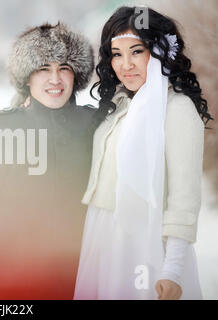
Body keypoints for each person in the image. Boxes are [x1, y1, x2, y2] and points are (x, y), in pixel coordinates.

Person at [0, 22, 97, 299]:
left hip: (85, 278)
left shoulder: (96, 125)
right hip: (19, 281)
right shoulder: (1, 128)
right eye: (43, 69)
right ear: (27, 77)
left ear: (76, 76)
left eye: (64, 68)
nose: (55, 79)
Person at [74, 6, 213, 300]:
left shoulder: (176, 110)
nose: (126, 64)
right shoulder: (120, 106)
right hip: (102, 238)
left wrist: (172, 269)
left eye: (136, 51)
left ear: (160, 51)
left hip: (143, 245)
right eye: (116, 54)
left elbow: (183, 199)